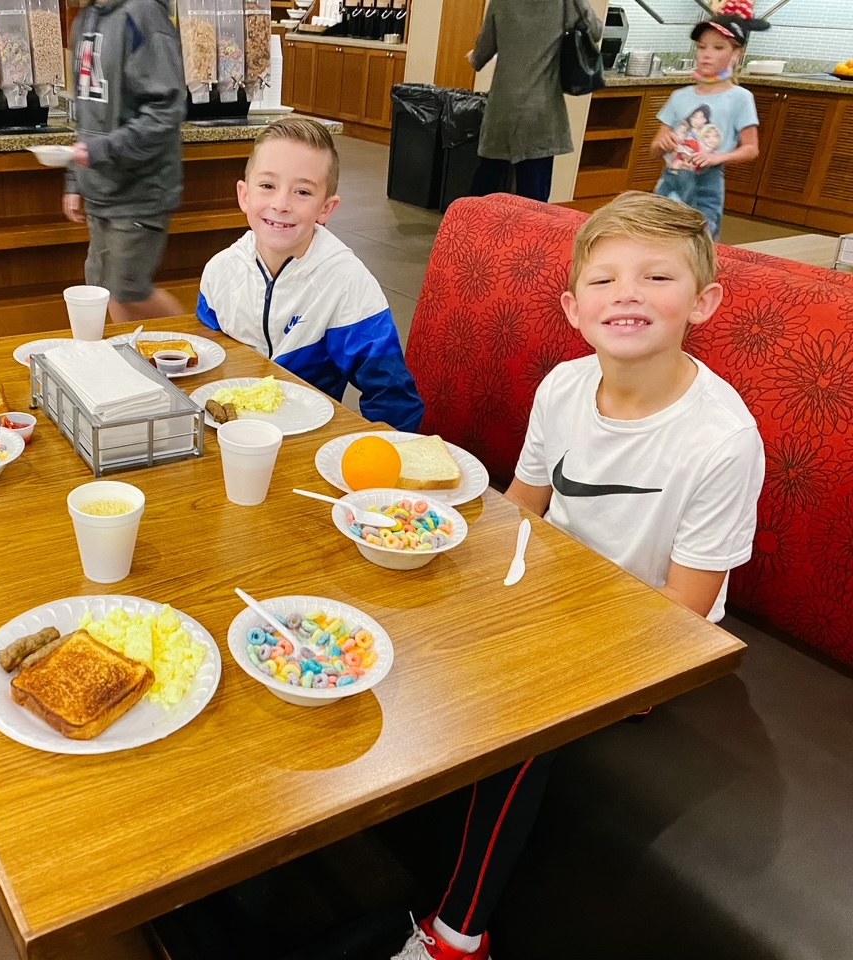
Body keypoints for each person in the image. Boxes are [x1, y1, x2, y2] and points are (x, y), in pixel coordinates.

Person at [393, 191, 764, 960]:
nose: (627, 293)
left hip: (651, 637)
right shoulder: (563, 387)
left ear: (705, 302)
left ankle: (459, 933)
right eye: (604, 279)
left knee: (527, 708)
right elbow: (522, 506)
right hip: (552, 593)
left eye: (657, 278)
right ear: (572, 305)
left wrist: (546, 629)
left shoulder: (721, 440)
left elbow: (686, 611)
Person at [196, 117, 425, 433]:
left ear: (326, 209)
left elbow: (393, 396)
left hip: (307, 442)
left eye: (302, 192)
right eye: (267, 186)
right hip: (228, 437)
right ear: (244, 195)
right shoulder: (219, 272)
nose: (281, 204)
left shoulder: (346, 283)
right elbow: (207, 369)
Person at [62, 0, 186, 324]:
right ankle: (137, 365)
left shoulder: (144, 14)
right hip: (100, 188)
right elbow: (85, 109)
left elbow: (165, 112)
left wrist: (101, 150)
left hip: (140, 189)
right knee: (102, 290)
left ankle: (196, 346)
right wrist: (75, 179)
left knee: (127, 290)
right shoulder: (86, 18)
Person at [465, 0, 602, 203]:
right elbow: (595, 31)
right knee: (533, 201)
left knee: (486, 189)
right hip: (541, 111)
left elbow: (483, 51)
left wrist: (474, 57)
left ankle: (472, 230)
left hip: (503, 109)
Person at [651, 4, 768, 239]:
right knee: (658, 239)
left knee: (700, 243)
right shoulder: (680, 96)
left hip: (706, 184)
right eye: (702, 47)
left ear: (736, 54)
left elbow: (750, 149)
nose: (706, 54)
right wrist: (663, 142)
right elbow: (654, 148)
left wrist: (716, 157)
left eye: (718, 47)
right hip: (670, 181)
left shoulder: (740, 98)